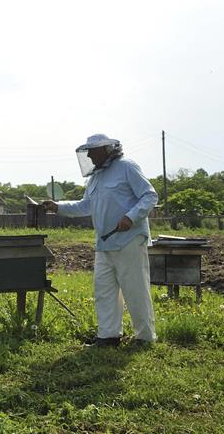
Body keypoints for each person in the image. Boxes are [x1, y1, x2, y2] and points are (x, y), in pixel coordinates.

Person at [43, 134, 159, 346]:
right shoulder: (94, 178)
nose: (88, 155)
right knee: (104, 291)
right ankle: (109, 336)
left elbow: (149, 195)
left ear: (106, 150)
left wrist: (131, 217)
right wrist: (57, 206)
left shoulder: (127, 166)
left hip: (129, 239)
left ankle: (144, 337)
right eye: (86, 151)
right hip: (104, 243)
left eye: (92, 151)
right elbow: (85, 206)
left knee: (135, 290)